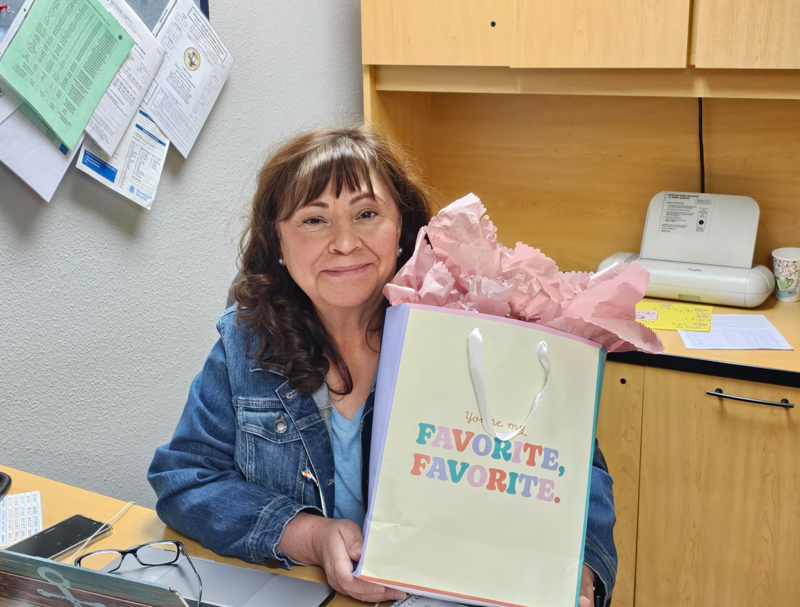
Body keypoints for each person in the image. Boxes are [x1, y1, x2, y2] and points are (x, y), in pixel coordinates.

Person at [148, 126, 617, 607]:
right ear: (279, 248)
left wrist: (581, 566)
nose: (344, 242)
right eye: (314, 221)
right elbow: (185, 477)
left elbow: (580, 472)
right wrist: (309, 536)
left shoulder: (475, 329)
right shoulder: (246, 342)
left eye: (367, 214)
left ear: (403, 232)